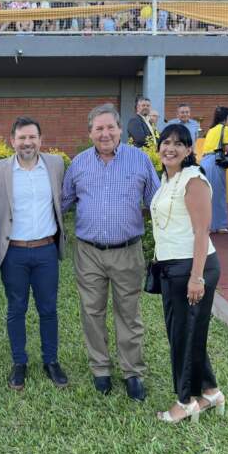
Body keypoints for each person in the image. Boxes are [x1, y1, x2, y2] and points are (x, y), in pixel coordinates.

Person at [61, 103, 160, 401]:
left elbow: (157, 203)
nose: (105, 133)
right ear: (90, 132)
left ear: (120, 129)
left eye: (110, 127)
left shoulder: (139, 160)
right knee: (92, 311)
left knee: (129, 314)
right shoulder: (78, 164)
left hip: (127, 251)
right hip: (88, 252)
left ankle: (133, 373)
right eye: (98, 128)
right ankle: (100, 368)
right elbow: (62, 202)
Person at [0, 117, 69, 390]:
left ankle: (51, 361)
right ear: (13, 141)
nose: (27, 142)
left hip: (46, 250)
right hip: (14, 253)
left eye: (32, 137)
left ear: (40, 140)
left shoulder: (55, 165)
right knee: (16, 309)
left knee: (48, 308)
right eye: (21, 138)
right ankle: (19, 362)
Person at [151, 123, 224, 424]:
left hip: (191, 267)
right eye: (165, 142)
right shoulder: (168, 179)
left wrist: (197, 277)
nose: (170, 148)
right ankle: (210, 391)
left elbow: (201, 230)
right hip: (170, 267)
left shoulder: (193, 180)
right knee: (187, 334)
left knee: (183, 335)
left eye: (178, 144)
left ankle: (184, 402)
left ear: (189, 149)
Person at [199, 106, 228, 234]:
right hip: (216, 162)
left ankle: (209, 224)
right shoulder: (225, 129)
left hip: (205, 162)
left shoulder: (211, 129)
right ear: (227, 118)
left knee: (208, 195)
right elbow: (227, 148)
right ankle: (220, 225)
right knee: (219, 194)